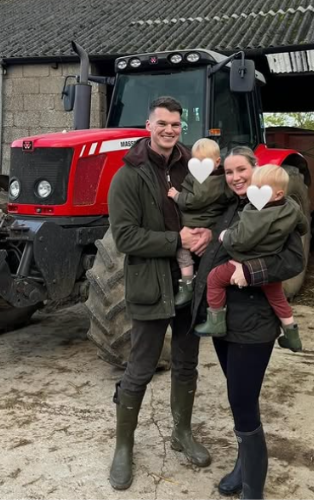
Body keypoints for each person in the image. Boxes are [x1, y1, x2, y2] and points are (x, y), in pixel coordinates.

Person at [106, 96, 214, 490]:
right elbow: (125, 237)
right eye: (162, 123)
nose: (169, 130)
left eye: (175, 124)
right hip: (151, 282)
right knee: (140, 367)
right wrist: (176, 240)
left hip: (192, 281)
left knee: (187, 363)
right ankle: (123, 447)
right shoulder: (128, 176)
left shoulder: (195, 167)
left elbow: (218, 207)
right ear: (148, 126)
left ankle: (181, 433)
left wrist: (209, 232)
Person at [190, 147, 305, 499]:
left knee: (241, 399)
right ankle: (244, 468)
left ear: (256, 169)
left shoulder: (277, 210)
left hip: (253, 324)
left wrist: (251, 271)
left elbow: (293, 261)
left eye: (242, 169)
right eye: (229, 172)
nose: (235, 177)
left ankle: (253, 488)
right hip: (226, 322)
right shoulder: (231, 208)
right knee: (241, 397)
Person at [193, 163, 309, 354]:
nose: (253, 192)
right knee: (277, 297)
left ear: (278, 194)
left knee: (214, 278)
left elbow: (242, 239)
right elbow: (303, 226)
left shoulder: (257, 214)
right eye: (253, 186)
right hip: (269, 264)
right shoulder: (292, 207)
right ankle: (292, 334)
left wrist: (226, 236)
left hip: (246, 261)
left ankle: (215, 320)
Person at [168, 138, 231, 306]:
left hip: (195, 222)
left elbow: (196, 200)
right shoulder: (220, 177)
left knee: (181, 249)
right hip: (206, 221)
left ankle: (187, 284)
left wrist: (177, 196)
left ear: (217, 162)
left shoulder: (206, 180)